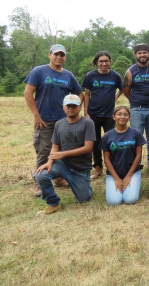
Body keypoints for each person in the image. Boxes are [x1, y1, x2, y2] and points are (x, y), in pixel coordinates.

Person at [24, 44, 83, 197]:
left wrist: (76, 110)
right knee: (44, 152)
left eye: (62, 55)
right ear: (49, 55)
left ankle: (59, 178)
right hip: (44, 120)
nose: (59, 57)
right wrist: (36, 115)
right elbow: (28, 93)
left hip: (63, 121)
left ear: (65, 57)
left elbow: (79, 94)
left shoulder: (68, 75)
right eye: (56, 54)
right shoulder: (39, 71)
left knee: (63, 151)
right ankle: (40, 183)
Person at [34, 94, 95, 216]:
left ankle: (86, 186)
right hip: (62, 165)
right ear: (63, 107)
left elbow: (88, 148)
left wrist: (63, 154)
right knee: (40, 175)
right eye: (68, 106)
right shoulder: (59, 124)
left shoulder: (88, 123)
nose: (71, 108)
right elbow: (55, 146)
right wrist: (49, 162)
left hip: (80, 168)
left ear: (80, 107)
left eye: (74, 106)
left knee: (84, 200)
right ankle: (53, 203)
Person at [81, 51, 123, 180]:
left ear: (110, 62)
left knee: (112, 141)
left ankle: (114, 167)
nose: (104, 63)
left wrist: (114, 99)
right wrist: (86, 112)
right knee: (95, 142)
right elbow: (86, 94)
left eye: (106, 61)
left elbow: (122, 89)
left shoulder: (115, 76)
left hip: (110, 115)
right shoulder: (90, 76)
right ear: (96, 63)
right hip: (93, 114)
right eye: (101, 61)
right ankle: (98, 168)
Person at [123, 43, 149, 166]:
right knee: (136, 136)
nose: (142, 55)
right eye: (139, 53)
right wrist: (135, 100)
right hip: (136, 109)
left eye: (144, 52)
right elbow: (126, 89)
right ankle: (136, 163)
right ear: (135, 55)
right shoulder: (130, 71)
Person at [100, 106, 145, 205]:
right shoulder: (107, 136)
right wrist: (116, 178)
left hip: (132, 172)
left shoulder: (136, 133)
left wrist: (128, 176)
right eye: (119, 114)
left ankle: (131, 185)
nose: (122, 117)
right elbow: (106, 159)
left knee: (130, 200)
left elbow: (138, 156)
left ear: (129, 117)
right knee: (114, 202)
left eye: (125, 114)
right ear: (114, 117)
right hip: (114, 173)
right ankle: (112, 185)